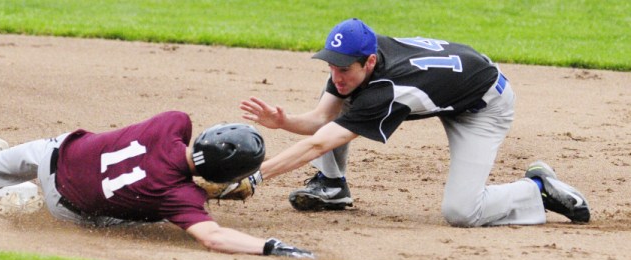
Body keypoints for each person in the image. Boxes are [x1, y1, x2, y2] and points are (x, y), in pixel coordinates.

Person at [239, 18, 589, 226]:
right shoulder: (353, 63)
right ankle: (332, 187)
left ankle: (537, 190)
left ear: (370, 61)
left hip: (485, 104)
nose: (335, 75)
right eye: (330, 64)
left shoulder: (385, 90)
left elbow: (320, 140)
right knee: (344, 104)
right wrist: (283, 122)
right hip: (455, 79)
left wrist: (256, 176)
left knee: (462, 212)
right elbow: (320, 120)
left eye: (343, 68)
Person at [0, 110, 315, 258]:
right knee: (155, 214)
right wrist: (269, 247)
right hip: (68, 212)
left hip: (51, 153)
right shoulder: (182, 196)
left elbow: (158, 159)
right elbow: (213, 237)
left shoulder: (173, 123)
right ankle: (23, 195)